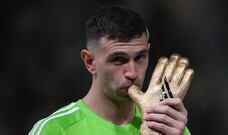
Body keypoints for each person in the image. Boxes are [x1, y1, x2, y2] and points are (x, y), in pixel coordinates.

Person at [28, 6, 191, 135]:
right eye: (118, 59)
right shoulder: (55, 130)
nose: (133, 73)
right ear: (89, 62)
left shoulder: (168, 126)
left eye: (140, 57)